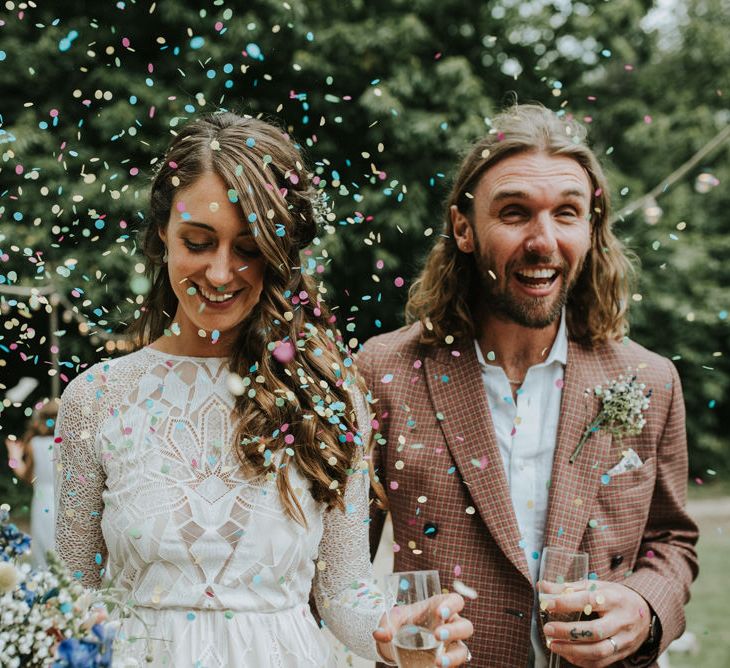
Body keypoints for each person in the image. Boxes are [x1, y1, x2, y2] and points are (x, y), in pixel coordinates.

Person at [54, 112, 472, 667]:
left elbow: (344, 587)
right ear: (162, 236)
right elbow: (73, 592)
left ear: (281, 256)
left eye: (248, 248)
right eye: (198, 242)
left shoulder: (327, 394)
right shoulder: (95, 398)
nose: (222, 272)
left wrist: (391, 633)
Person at [359, 104, 698, 667]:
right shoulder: (384, 370)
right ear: (464, 228)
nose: (543, 241)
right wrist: (386, 629)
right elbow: (336, 565)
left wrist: (644, 606)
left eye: (566, 213)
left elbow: (672, 541)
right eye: (515, 213)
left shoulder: (652, 379)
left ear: (591, 227)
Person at [5, 399, 58, 568]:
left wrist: (14, 457)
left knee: (43, 544)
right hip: (63, 498)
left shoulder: (34, 444)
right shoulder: (66, 444)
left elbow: (28, 477)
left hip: (42, 499)